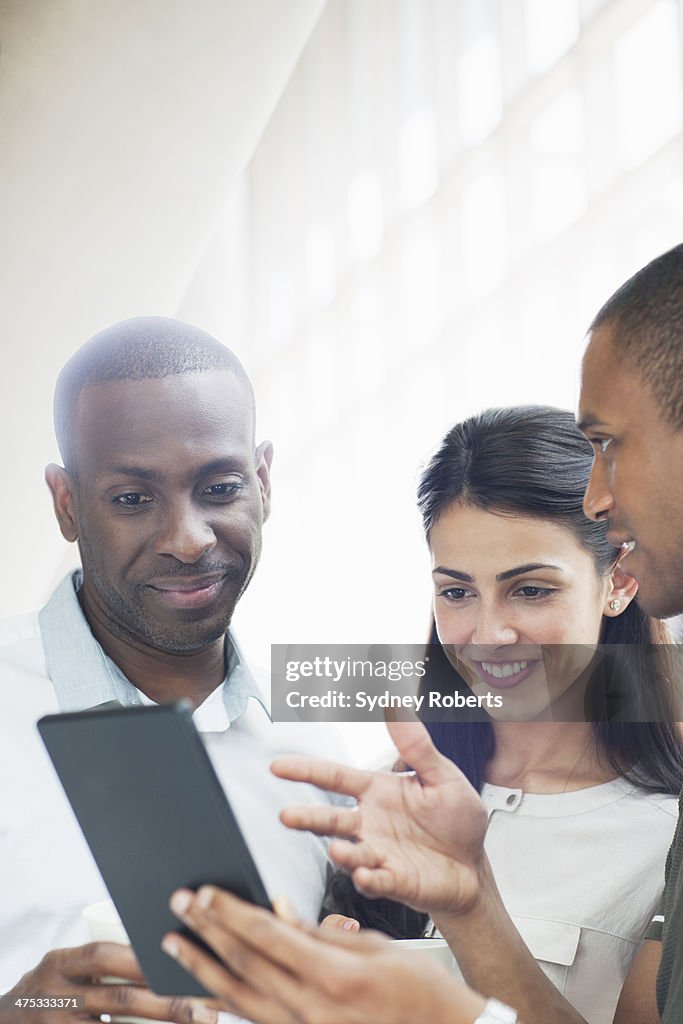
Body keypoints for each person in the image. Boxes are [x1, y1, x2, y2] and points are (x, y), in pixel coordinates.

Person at [161, 243, 683, 1024]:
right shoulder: (390, 792)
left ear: (618, 581)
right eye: (455, 592)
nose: (487, 633)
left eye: (530, 589)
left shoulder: (661, 829)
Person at [0, 317, 344, 1023]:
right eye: (132, 499)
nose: (189, 541)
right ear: (67, 504)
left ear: (263, 481)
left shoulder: (316, 746)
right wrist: (18, 1008)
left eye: (219, 488)